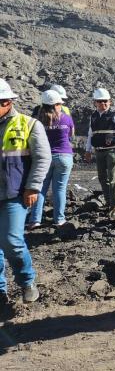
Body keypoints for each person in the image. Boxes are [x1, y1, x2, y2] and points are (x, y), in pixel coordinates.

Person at [0, 78, 51, 306]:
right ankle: (1, 292)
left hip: (15, 193)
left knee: (11, 239)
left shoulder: (28, 124)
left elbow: (42, 158)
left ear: (7, 102)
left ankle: (27, 282)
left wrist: (33, 187)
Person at [27, 90, 75, 228]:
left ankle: (35, 219)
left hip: (44, 158)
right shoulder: (66, 118)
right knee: (59, 189)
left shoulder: (37, 121)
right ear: (57, 104)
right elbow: (71, 135)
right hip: (64, 156)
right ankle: (59, 219)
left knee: (40, 188)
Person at [84, 88, 115, 219]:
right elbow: (90, 134)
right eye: (99, 102)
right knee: (102, 178)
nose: (102, 104)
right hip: (99, 151)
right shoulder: (93, 116)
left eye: (105, 101)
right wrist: (87, 150)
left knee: (113, 178)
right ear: (95, 102)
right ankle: (109, 202)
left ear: (110, 101)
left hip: (113, 151)